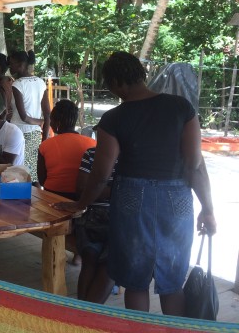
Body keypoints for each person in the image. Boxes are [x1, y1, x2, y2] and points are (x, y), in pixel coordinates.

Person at [53, 52, 216, 317]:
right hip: (177, 200)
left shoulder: (114, 118)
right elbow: (195, 165)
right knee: (173, 283)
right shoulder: (182, 108)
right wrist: (208, 209)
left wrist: (80, 204)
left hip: (132, 198)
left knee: (135, 282)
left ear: (117, 82)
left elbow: (102, 173)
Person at [74, 147, 115, 304]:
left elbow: (85, 189)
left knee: (97, 262)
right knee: (99, 261)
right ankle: (85, 315)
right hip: (97, 213)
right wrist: (114, 190)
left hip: (94, 211)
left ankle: (83, 313)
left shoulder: (92, 154)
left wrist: (95, 188)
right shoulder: (91, 153)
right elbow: (80, 188)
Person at [37, 99, 96, 199]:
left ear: (57, 123)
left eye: (51, 121)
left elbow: (42, 180)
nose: (50, 124)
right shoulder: (92, 143)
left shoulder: (45, 145)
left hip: (52, 196)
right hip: (81, 197)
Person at [9, 50, 50, 184]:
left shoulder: (17, 85)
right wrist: (44, 136)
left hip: (17, 133)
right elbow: (48, 113)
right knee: (33, 176)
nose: (10, 67)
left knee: (17, 176)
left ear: (21, 64)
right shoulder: (40, 82)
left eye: (12, 64)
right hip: (34, 135)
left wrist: (40, 121)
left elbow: (23, 116)